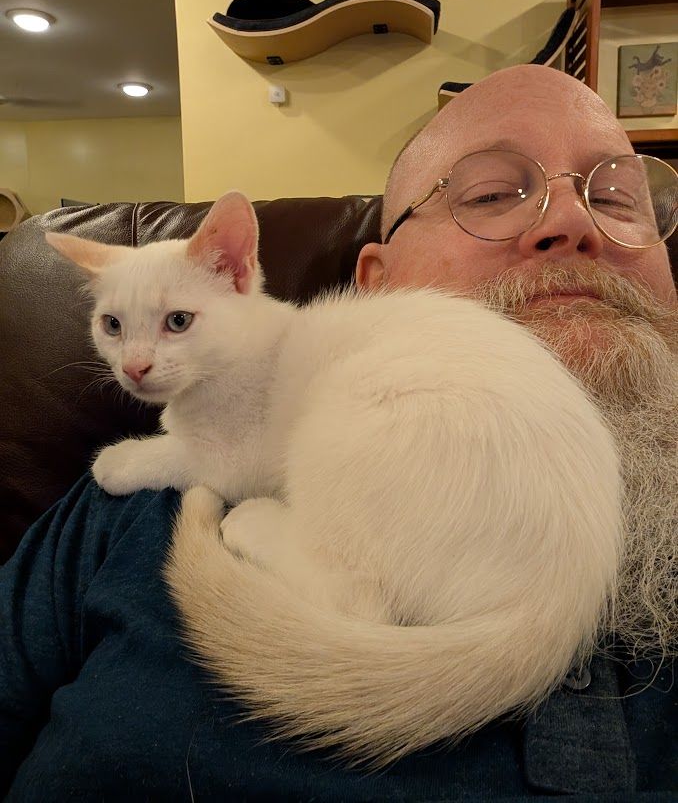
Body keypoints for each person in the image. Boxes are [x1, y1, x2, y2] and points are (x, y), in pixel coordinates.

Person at [1, 65, 676, 801]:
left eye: (616, 196)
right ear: (377, 281)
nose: (572, 222)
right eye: (491, 194)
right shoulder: (120, 515)